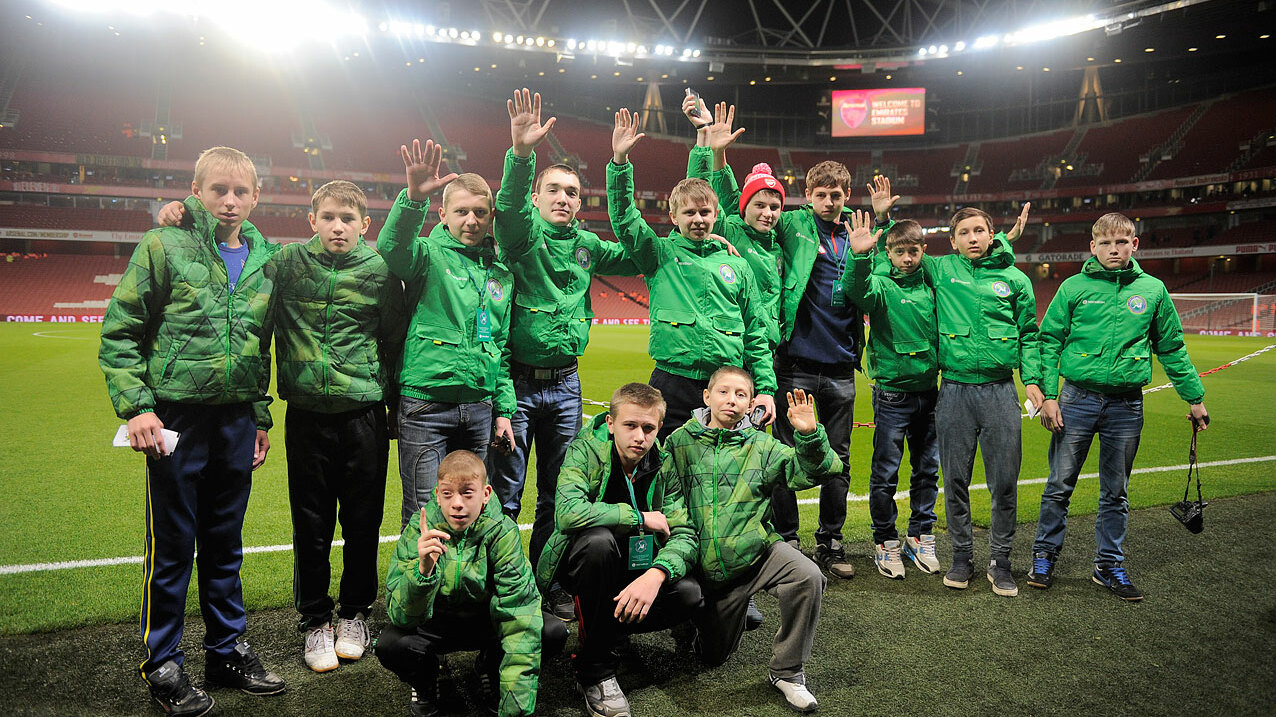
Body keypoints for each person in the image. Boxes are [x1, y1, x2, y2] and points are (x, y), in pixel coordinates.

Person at [156, 180, 408, 671]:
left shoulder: (379, 271)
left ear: (365, 225)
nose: (338, 227)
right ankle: (314, 620)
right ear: (311, 220)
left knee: (363, 523)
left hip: (363, 416)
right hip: (307, 417)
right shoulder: (285, 262)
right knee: (310, 525)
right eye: (328, 217)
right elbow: (237, 242)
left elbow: (395, 342)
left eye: (348, 219)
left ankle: (354, 614)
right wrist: (186, 212)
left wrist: (394, 407)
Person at [100, 146, 284, 715]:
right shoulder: (164, 243)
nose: (229, 201)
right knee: (174, 546)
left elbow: (259, 347)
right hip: (175, 419)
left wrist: (258, 416)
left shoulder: (266, 259)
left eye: (240, 191)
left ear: (256, 197)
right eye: (217, 190)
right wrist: (138, 408)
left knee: (226, 544)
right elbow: (121, 331)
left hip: (235, 420)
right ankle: (163, 663)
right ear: (196, 191)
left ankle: (226, 651)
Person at [489, 89, 642, 620]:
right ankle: (504, 588)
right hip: (517, 382)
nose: (563, 198)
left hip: (566, 386)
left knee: (559, 496)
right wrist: (520, 153)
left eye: (572, 192)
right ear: (536, 197)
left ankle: (547, 583)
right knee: (506, 495)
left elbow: (642, 253)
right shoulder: (520, 238)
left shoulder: (588, 245)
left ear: (581, 201)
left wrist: (619, 166)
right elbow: (507, 210)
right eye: (553, 189)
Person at [1028, 212, 1209, 601]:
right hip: (1075, 400)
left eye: (1122, 242)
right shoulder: (1074, 287)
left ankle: (1108, 565)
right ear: (1093, 247)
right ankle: (1044, 557)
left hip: (1126, 406)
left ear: (1134, 245)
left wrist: (1194, 399)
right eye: (1106, 243)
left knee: (1116, 492)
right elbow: (1049, 341)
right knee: (1059, 486)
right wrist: (1050, 396)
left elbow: (1172, 348)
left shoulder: (1153, 290)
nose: (1114, 249)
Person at [666, 367, 843, 714]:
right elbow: (670, 507)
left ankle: (787, 672)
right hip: (704, 568)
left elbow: (817, 470)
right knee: (711, 657)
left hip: (756, 555)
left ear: (750, 405)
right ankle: (698, 619)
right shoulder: (678, 442)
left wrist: (809, 435)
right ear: (707, 397)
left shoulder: (762, 445)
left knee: (807, 575)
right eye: (723, 392)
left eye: (741, 395)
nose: (731, 400)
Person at [607, 107, 777, 441]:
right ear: (674, 217)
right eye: (689, 213)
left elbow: (756, 332)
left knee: (722, 465)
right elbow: (626, 219)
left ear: (716, 214)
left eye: (705, 212)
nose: (698, 219)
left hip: (725, 385)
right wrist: (620, 162)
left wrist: (766, 388)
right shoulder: (659, 254)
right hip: (672, 381)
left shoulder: (737, 264)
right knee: (663, 463)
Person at [535, 382, 703, 717]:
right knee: (598, 542)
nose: (639, 437)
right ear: (611, 424)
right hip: (586, 565)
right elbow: (567, 513)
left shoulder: (664, 463)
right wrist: (638, 517)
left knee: (689, 594)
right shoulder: (585, 450)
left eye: (648, 428)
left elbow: (684, 533)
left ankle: (605, 632)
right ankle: (595, 671)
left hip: (637, 571)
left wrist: (656, 574)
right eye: (630, 425)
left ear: (659, 428)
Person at [767, 164, 898, 580]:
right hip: (795, 366)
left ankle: (830, 540)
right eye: (821, 194)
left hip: (841, 368)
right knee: (785, 455)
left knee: (837, 461)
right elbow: (751, 220)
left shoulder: (858, 235)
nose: (828, 202)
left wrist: (883, 220)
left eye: (836, 195)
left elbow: (883, 273)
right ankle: (788, 540)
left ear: (846, 196)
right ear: (808, 194)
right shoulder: (792, 226)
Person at [379, 139, 517, 527]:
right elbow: (391, 248)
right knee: (424, 513)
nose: (471, 220)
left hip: (480, 408)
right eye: (461, 212)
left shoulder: (500, 275)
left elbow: (500, 346)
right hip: (426, 405)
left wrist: (504, 411)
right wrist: (412, 199)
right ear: (443, 214)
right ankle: (420, 570)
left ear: (491, 216)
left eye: (479, 212)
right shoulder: (426, 255)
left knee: (470, 514)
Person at [376, 451, 567, 717]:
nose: (457, 504)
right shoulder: (418, 530)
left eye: (467, 493)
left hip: (486, 622)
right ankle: (426, 680)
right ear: (437, 494)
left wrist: (515, 711)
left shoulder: (502, 531)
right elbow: (401, 616)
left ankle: (491, 667)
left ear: (485, 494)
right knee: (390, 644)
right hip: (434, 623)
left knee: (551, 632)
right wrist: (423, 572)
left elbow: (519, 612)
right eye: (448, 494)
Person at [931, 205, 1042, 597]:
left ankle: (1001, 560)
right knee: (954, 480)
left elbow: (1030, 334)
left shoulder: (1015, 279)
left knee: (1004, 482)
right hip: (954, 391)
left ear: (992, 235)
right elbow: (899, 253)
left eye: (979, 230)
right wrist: (881, 220)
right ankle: (962, 556)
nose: (972, 238)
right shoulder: (940, 270)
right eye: (964, 232)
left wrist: (1033, 380)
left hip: (1000, 391)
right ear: (952, 241)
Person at [840, 215, 943, 580]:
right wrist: (861, 257)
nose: (907, 259)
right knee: (885, 473)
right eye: (899, 252)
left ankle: (920, 534)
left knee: (927, 470)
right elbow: (857, 291)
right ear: (889, 253)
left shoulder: (932, 286)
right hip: (892, 395)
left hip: (929, 392)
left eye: (913, 251)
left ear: (923, 251)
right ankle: (885, 540)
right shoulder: (881, 285)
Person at [682, 95, 783, 349]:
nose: (768, 213)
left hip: (768, 351)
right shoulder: (730, 231)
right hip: (733, 347)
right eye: (759, 206)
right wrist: (710, 145)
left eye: (774, 207)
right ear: (743, 207)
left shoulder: (778, 246)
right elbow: (699, 192)